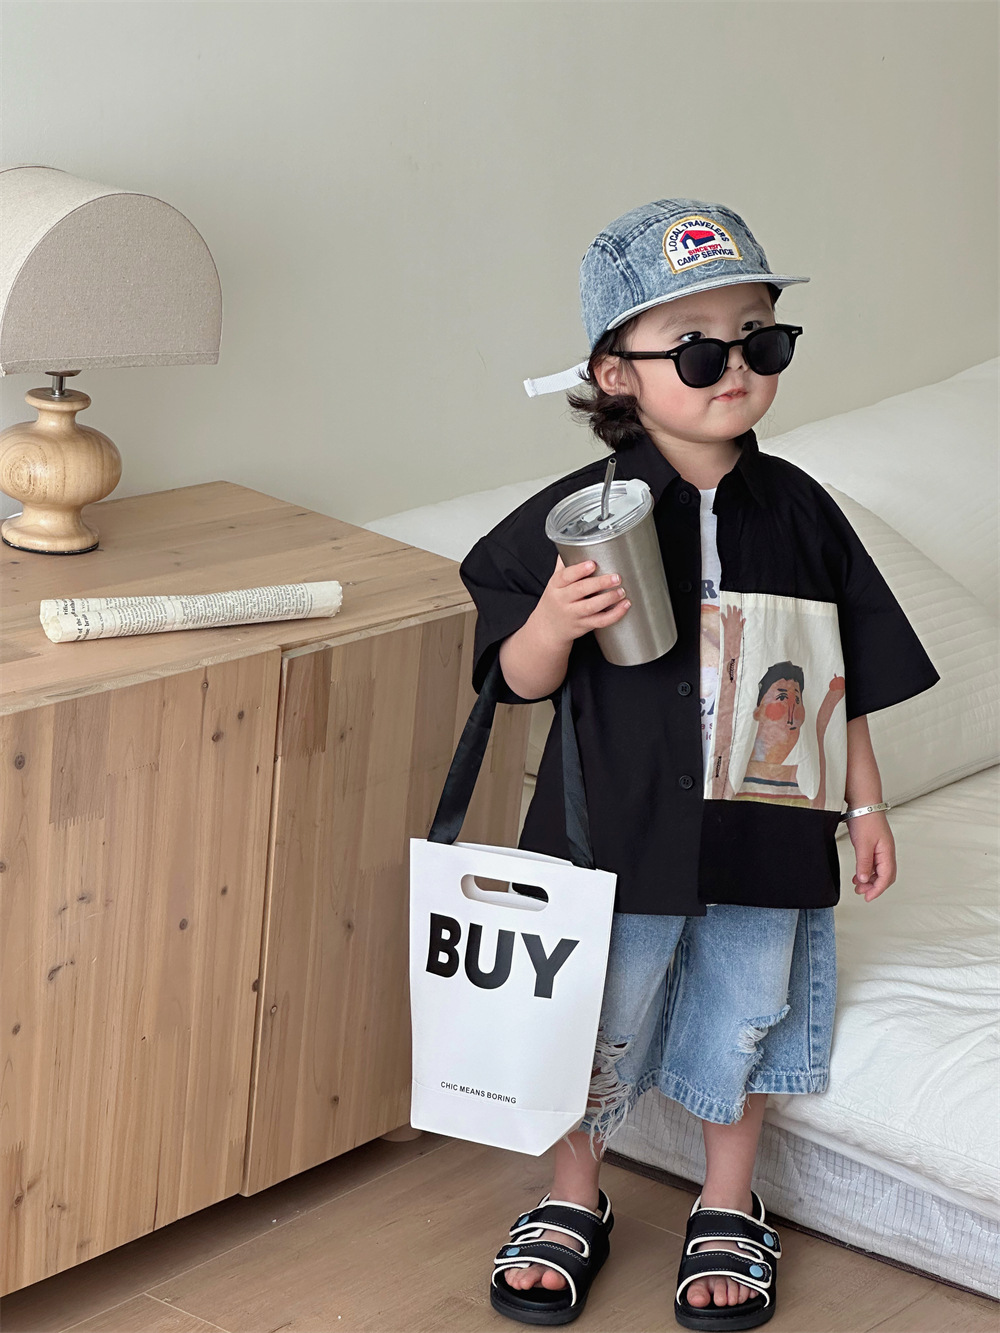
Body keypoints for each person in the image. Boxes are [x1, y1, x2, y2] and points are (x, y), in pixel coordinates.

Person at [458, 198, 940, 1330]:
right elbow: (513, 678)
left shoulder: (805, 511)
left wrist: (866, 806)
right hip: (613, 827)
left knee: (745, 1012)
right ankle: (572, 1193)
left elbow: (842, 677)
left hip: (767, 824)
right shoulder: (571, 520)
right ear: (613, 374)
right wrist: (554, 621)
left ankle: (728, 1199)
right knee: (590, 1013)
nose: (734, 369)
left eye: (759, 342)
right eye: (696, 349)